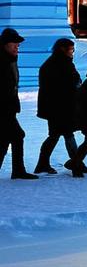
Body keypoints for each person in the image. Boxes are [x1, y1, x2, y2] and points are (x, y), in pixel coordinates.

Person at [34, 39, 82, 175]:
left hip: (57, 108)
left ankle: (43, 164)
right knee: (65, 134)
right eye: (71, 49)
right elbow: (67, 85)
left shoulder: (56, 63)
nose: (73, 52)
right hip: (60, 108)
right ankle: (77, 164)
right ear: (63, 49)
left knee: (56, 135)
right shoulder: (58, 65)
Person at [0, 27, 37, 179]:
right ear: (5, 44)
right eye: (14, 44)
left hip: (8, 107)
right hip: (3, 108)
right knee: (15, 136)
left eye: (18, 44)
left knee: (7, 138)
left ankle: (18, 170)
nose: (17, 47)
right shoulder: (2, 61)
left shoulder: (10, 59)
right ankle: (18, 170)